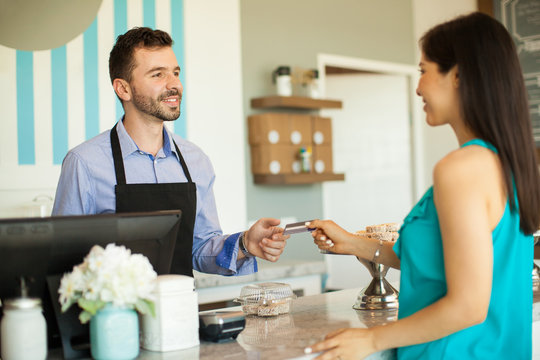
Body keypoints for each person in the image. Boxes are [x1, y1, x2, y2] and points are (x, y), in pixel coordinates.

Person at [304, 12, 540, 359]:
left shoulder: (460, 169)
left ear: (458, 75)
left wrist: (370, 340)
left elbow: (468, 306)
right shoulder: (510, 164)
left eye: (423, 70)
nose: (418, 87)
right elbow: (442, 262)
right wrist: (354, 243)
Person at [52, 27, 288, 277]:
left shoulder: (196, 160)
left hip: (180, 311)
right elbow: (61, 261)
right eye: (158, 74)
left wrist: (245, 244)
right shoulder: (84, 163)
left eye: (175, 73)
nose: (174, 84)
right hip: (115, 315)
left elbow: (200, 247)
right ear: (123, 89)